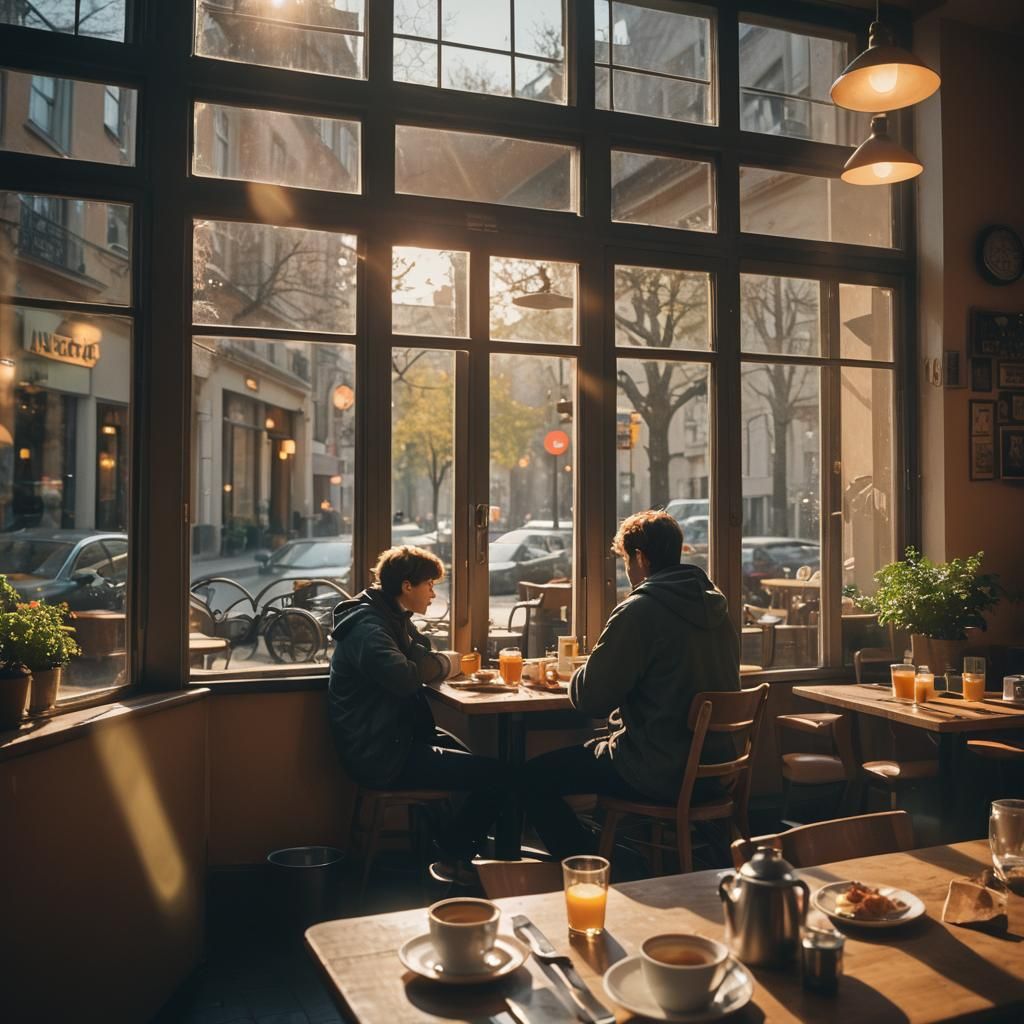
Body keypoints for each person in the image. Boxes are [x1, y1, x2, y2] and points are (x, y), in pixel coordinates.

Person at [522, 510, 740, 858]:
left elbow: (590, 699)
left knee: (531, 779)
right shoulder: (717, 606)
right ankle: (612, 855)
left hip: (656, 770)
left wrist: (574, 672)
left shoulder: (640, 610)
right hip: (716, 771)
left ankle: (587, 865)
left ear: (640, 558)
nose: (626, 569)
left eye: (625, 559)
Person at [328, 545, 508, 882]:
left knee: (481, 766)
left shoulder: (390, 615)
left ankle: (456, 848)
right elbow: (408, 676)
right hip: (380, 753)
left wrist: (430, 660)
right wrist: (449, 662)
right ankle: (453, 857)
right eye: (429, 584)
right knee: (496, 775)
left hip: (392, 739)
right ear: (408, 586)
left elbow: (421, 654)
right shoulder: (370, 627)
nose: (433, 593)